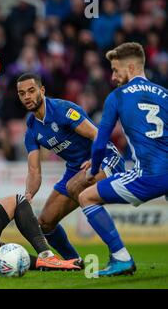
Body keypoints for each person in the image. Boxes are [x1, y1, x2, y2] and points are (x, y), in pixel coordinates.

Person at [78, 42, 168, 277]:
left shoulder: (116, 97)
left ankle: (121, 258)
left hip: (148, 176)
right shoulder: (165, 95)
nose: (113, 76)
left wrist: (93, 169)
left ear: (130, 67)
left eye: (116, 70)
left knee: (86, 197)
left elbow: (99, 143)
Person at [17, 72, 125, 265]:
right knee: (45, 223)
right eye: (22, 93)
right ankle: (74, 262)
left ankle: (118, 254)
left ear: (42, 90)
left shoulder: (63, 110)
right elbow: (34, 171)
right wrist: (28, 194)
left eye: (31, 91)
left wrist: (96, 158)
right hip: (75, 169)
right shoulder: (32, 130)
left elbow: (97, 136)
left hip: (104, 157)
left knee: (75, 187)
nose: (27, 96)